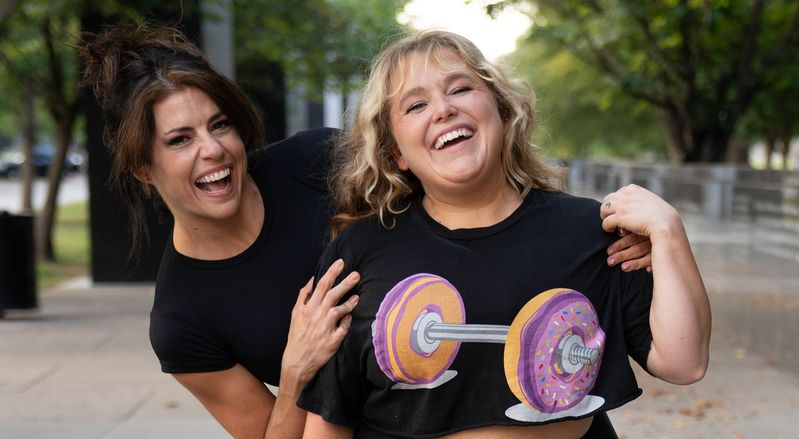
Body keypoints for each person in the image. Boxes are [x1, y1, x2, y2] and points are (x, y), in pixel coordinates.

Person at [77, 23, 654, 439]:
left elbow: (468, 190)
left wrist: (588, 237)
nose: (213, 150)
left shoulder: (315, 162)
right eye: (180, 140)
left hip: (549, 409)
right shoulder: (182, 319)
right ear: (143, 168)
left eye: (220, 124)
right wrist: (295, 369)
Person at [299, 30, 711, 439]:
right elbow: (329, 419)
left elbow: (684, 362)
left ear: (501, 109)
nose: (444, 109)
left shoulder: (591, 230)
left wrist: (668, 233)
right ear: (396, 154)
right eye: (417, 105)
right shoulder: (359, 252)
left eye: (460, 89)